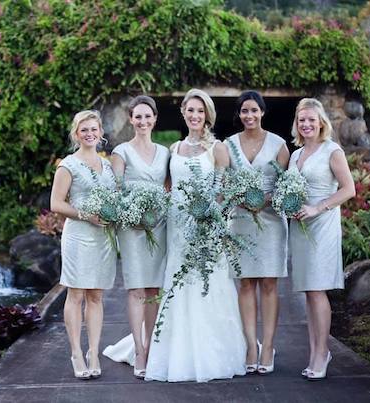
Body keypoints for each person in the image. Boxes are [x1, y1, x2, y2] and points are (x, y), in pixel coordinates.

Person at [145, 89, 246, 382]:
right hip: (177, 227)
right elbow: (168, 187)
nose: (195, 116)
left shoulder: (217, 148)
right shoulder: (173, 149)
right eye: (190, 110)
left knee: (208, 284)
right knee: (178, 279)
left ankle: (211, 352)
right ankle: (174, 352)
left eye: (200, 111)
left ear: (208, 116)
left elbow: (225, 190)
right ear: (183, 113)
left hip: (206, 227)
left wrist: (210, 217)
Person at [102, 96, 170, 378]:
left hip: (159, 226)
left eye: (148, 116)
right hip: (132, 228)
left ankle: (153, 348)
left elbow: (168, 188)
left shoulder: (166, 152)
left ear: (155, 119)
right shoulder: (121, 151)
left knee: (154, 289)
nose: (143, 122)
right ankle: (140, 352)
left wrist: (156, 210)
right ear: (131, 119)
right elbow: (116, 190)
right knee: (137, 290)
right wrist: (134, 212)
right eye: (137, 117)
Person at [224, 91, 290, 375]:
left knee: (269, 285)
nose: (249, 116)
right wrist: (237, 197)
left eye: (254, 110)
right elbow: (223, 181)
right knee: (246, 284)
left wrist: (264, 200)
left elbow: (287, 186)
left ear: (262, 112)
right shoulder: (228, 145)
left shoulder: (279, 145)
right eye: (244, 111)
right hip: (240, 220)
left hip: (272, 221)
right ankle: (251, 344)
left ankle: (269, 345)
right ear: (238, 115)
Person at [289, 98, 355, 380]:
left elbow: (349, 188)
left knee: (318, 290)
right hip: (300, 227)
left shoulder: (332, 150)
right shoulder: (295, 155)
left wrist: (318, 207)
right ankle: (315, 350)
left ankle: (322, 353)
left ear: (321, 123)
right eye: (302, 120)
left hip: (322, 224)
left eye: (311, 120)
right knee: (309, 291)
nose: (306, 124)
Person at [50, 110, 118, 380]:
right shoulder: (68, 165)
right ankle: (76, 352)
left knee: (96, 296)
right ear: (76, 134)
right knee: (76, 294)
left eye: (94, 129)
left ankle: (93, 351)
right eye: (84, 130)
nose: (90, 134)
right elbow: (56, 204)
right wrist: (85, 215)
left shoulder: (108, 165)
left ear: (100, 132)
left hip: (103, 238)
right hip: (78, 235)